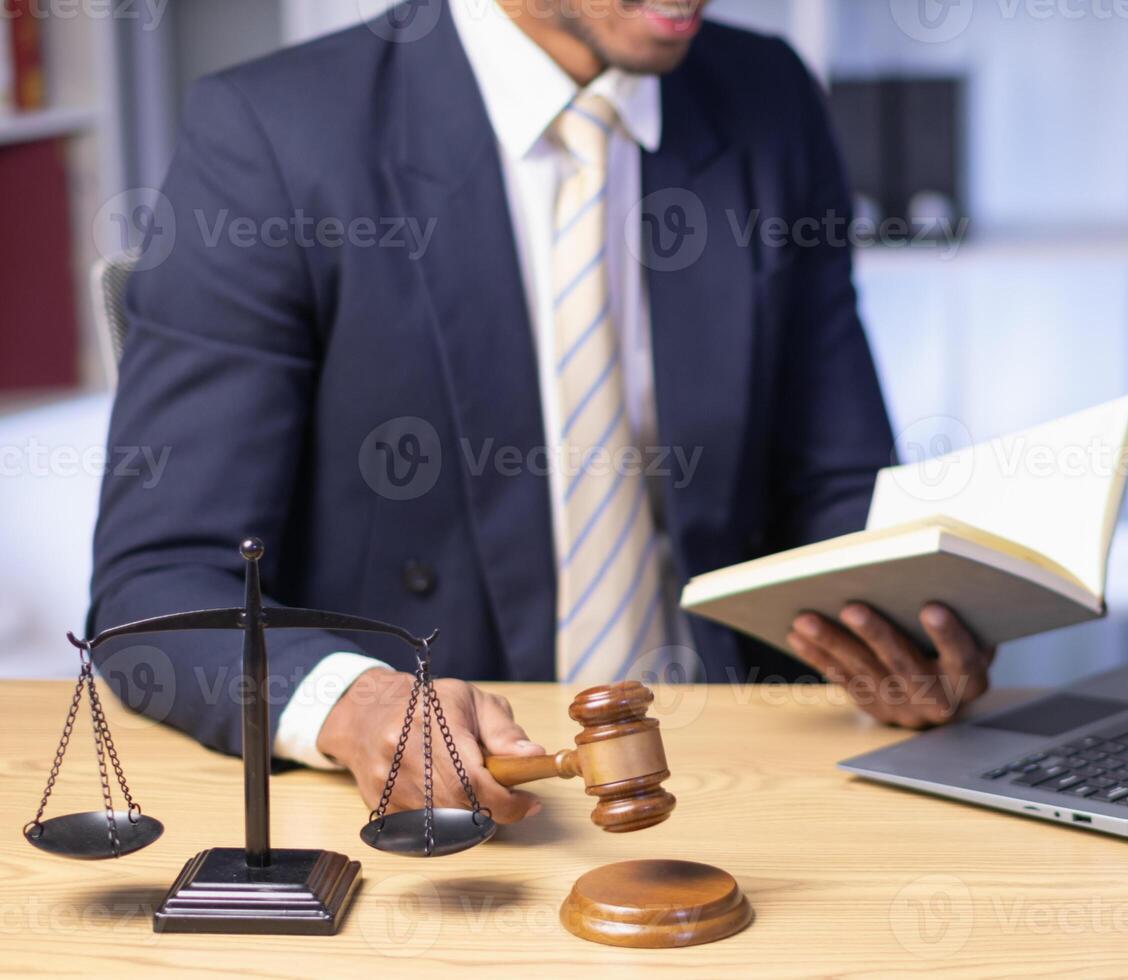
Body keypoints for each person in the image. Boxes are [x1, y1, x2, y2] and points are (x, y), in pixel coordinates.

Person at [90, 0, 995, 824]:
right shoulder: (275, 132)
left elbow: (832, 482)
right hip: (455, 795)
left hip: (739, 769)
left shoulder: (768, 97)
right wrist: (354, 704)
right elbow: (159, 586)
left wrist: (904, 633)